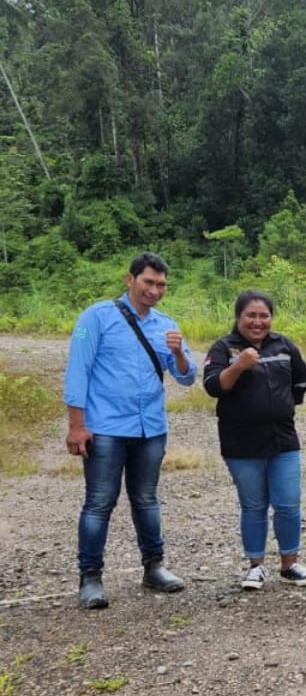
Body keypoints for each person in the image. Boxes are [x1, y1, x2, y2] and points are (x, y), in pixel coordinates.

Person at [64, 251, 195, 609]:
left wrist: (179, 353)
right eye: (148, 282)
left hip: (150, 427)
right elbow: (78, 371)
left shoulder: (165, 325)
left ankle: (154, 567)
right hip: (105, 427)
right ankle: (90, 576)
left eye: (161, 285)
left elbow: (186, 376)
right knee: (99, 503)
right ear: (130, 279)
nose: (154, 290)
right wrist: (77, 425)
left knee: (147, 499)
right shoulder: (97, 317)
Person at [203, 290, 306, 591]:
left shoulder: (284, 345)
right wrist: (239, 364)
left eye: (263, 316)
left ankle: (290, 563)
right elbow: (214, 386)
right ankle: (255, 566)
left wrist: (282, 405)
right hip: (241, 444)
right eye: (250, 316)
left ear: (271, 318)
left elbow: (301, 381)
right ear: (238, 317)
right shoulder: (223, 348)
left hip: (283, 440)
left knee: (288, 504)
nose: (257, 322)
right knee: (253, 506)